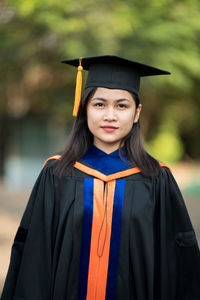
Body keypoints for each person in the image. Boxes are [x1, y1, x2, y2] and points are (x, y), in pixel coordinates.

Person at [1, 55, 200, 300]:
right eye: (99, 104)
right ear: (84, 108)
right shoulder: (56, 174)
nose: (110, 116)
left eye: (122, 106)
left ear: (137, 113)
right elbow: (34, 256)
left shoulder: (156, 179)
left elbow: (176, 263)